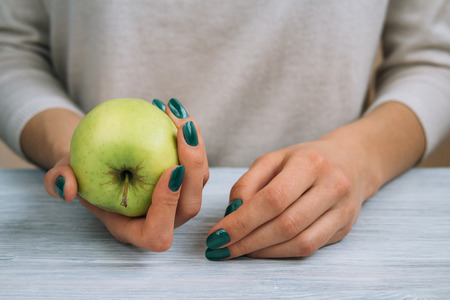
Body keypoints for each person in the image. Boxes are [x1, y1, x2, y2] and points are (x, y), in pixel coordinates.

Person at [1, 1, 449, 261]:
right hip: (84, 252)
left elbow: (434, 56)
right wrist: (70, 148)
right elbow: (11, 47)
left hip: (330, 242)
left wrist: (360, 158)